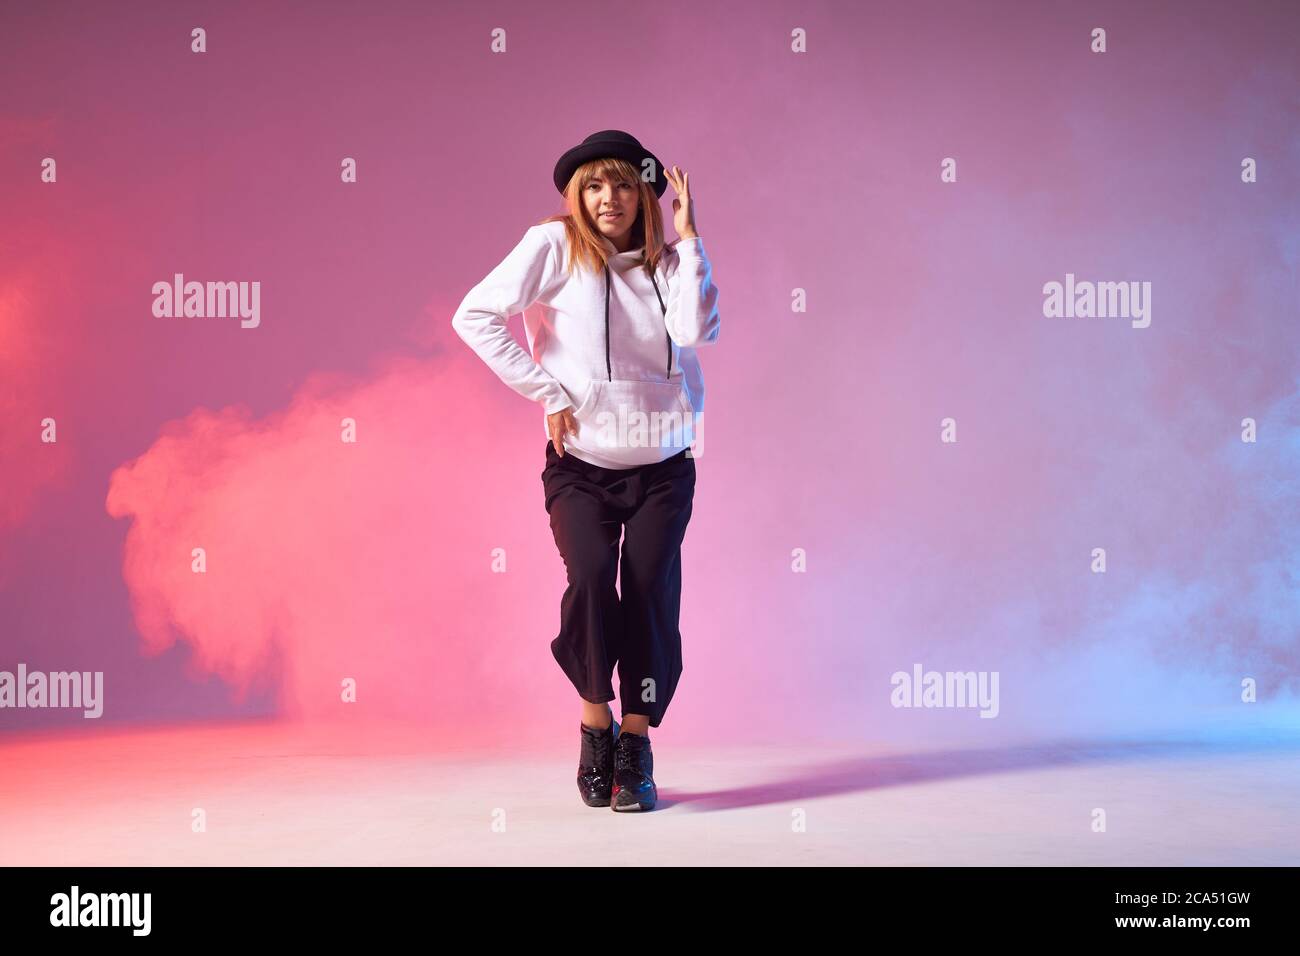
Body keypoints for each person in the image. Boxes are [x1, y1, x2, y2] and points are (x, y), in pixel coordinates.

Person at [451, 130, 720, 811]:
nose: (609, 199)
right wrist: (552, 393)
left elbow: (693, 332)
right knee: (595, 577)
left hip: (663, 460)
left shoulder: (667, 260)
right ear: (576, 195)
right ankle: (594, 721)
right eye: (594, 186)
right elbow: (474, 314)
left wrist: (689, 240)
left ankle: (635, 745)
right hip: (581, 463)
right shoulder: (552, 247)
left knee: (651, 590)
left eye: (625, 184)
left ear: (646, 194)